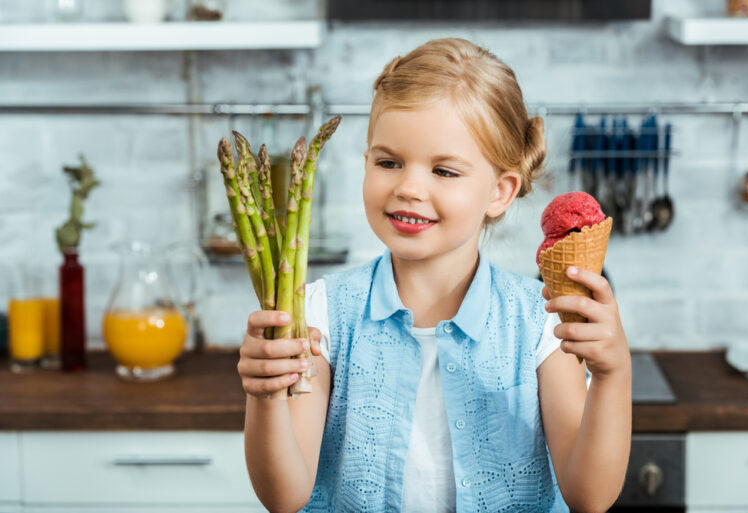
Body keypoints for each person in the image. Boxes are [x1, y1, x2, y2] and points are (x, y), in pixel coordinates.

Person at [237, 37, 632, 513]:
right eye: (389, 162)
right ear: (366, 163)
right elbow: (284, 496)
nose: (408, 187)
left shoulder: (541, 322)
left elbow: (590, 497)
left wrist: (613, 374)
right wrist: (265, 398)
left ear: (500, 192)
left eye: (444, 171)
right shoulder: (317, 313)